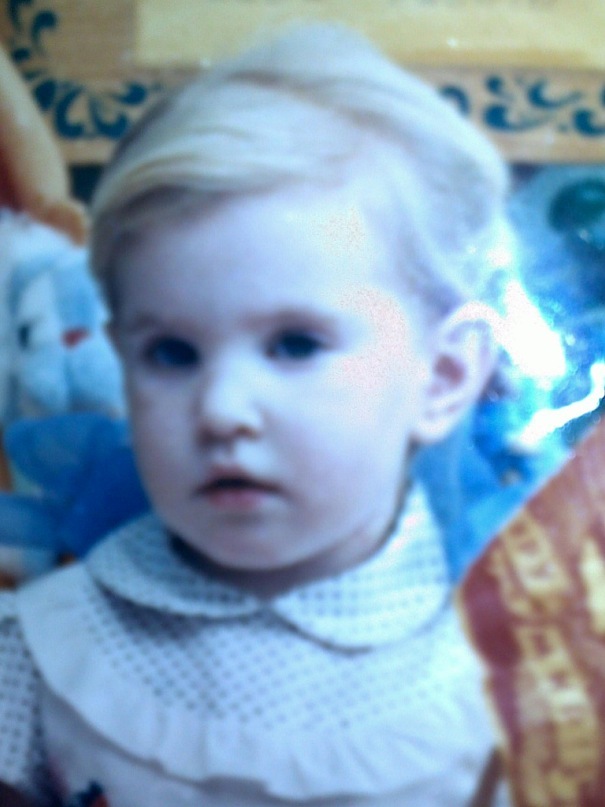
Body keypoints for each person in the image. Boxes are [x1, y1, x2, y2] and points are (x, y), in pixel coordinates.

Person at [0, 22, 513, 806]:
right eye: (172, 353)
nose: (221, 410)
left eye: (295, 344)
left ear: (441, 377)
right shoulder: (42, 647)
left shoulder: (512, 667)